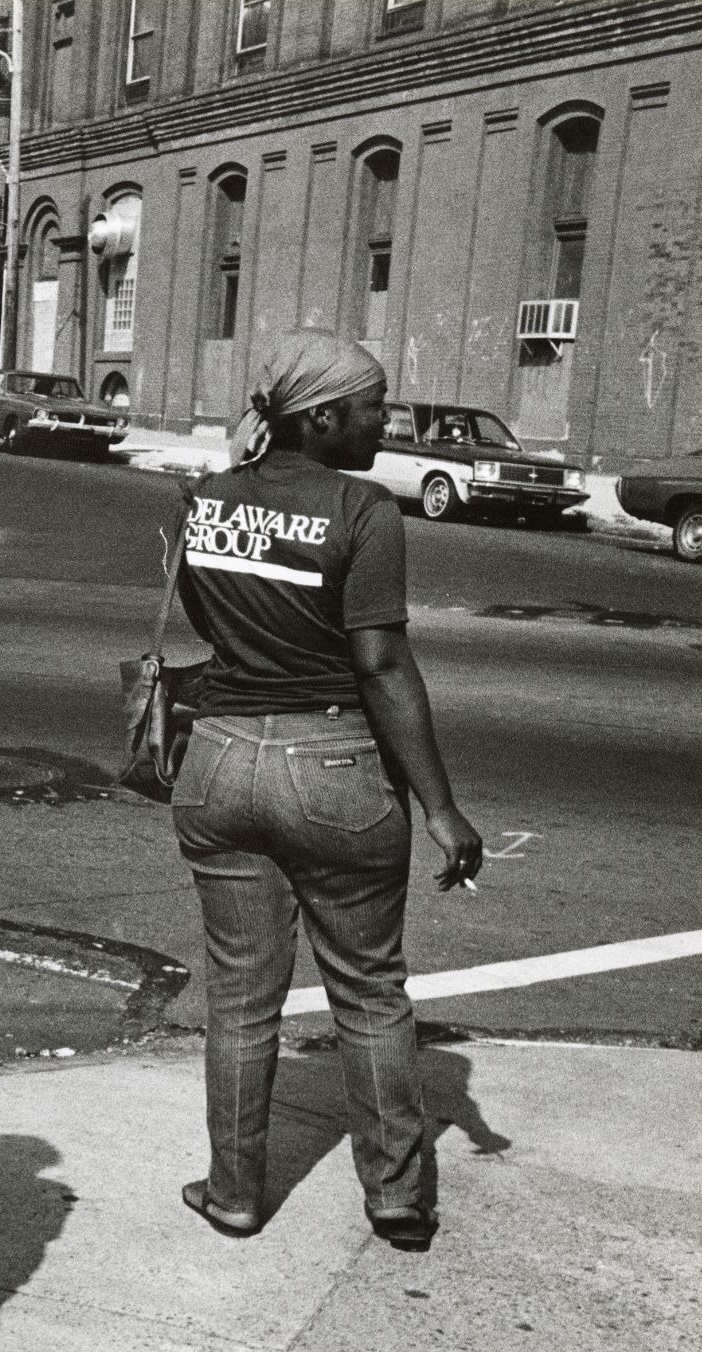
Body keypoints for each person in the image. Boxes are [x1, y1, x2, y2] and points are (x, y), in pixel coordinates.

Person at [169, 330, 482, 1254]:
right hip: (333, 768)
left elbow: (211, 624)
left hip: (218, 764)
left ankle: (234, 1193)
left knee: (239, 997)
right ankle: (394, 1199)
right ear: (321, 416)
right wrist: (440, 805)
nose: (385, 421)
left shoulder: (204, 502)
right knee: (371, 993)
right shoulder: (364, 511)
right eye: (372, 407)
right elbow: (380, 663)